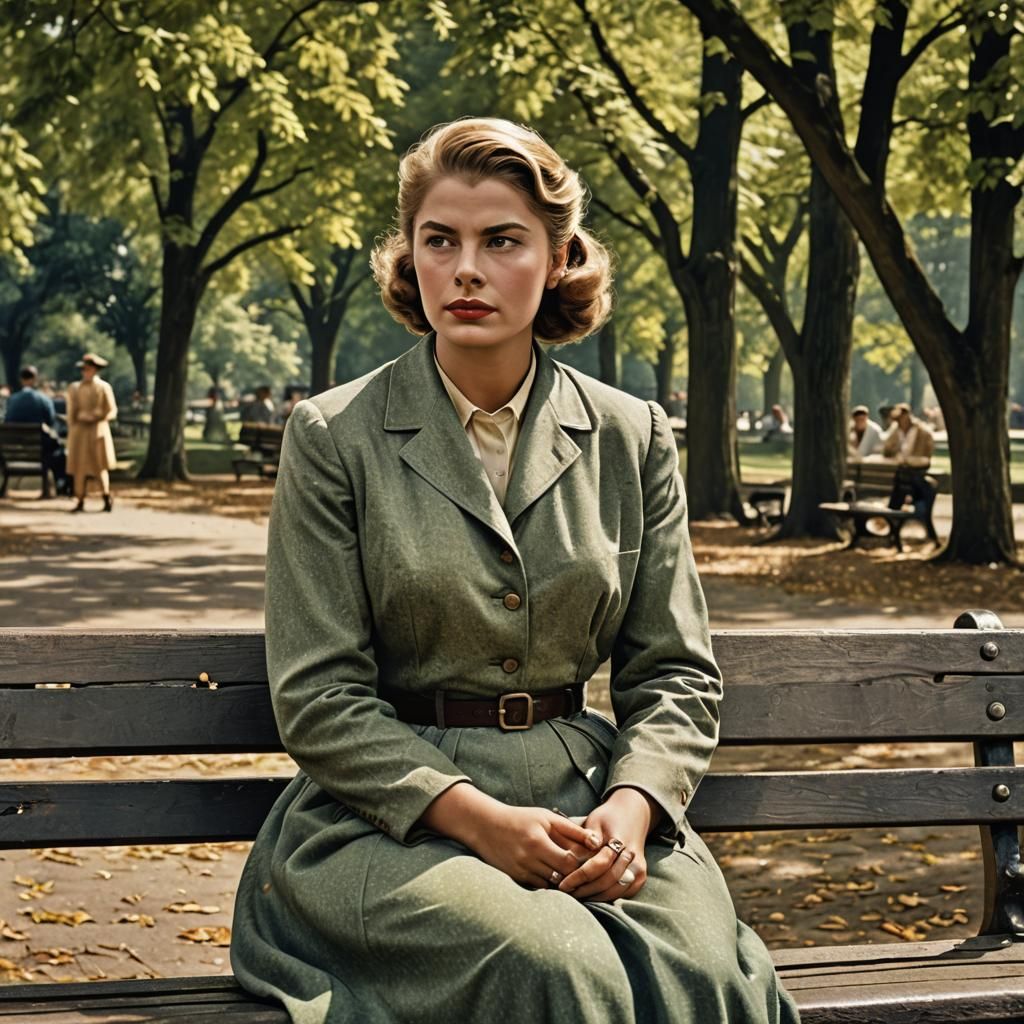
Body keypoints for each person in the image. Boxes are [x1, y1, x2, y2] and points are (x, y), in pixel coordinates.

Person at [230, 118, 798, 1024]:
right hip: (387, 822)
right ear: (409, 258)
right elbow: (319, 696)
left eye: (502, 240)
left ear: (560, 256)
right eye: (439, 239)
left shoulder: (631, 433)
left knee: (700, 969)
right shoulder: (335, 436)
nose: (466, 268)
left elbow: (676, 672)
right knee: (555, 963)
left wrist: (635, 807)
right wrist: (481, 820)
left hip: (589, 802)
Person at [4, 365, 69, 494]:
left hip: (14, 449)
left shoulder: (12, 400)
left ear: (21, 379)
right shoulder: (43, 399)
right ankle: (60, 486)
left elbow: (7, 420)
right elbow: (51, 421)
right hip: (40, 451)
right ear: (34, 379)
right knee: (61, 452)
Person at [66, 352, 117, 513]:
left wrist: (99, 416)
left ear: (95, 370)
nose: (86, 372)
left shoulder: (103, 387)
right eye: (84, 369)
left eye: (89, 369)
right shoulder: (75, 388)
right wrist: (77, 419)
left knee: (100, 465)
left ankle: (106, 496)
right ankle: (80, 498)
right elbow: (71, 412)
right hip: (81, 431)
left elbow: (112, 410)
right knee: (79, 467)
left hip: (97, 431)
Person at [882, 402, 937, 538]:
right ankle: (893, 522)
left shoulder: (922, 432)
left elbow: (927, 457)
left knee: (906, 487)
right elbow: (886, 450)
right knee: (902, 485)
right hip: (903, 474)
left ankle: (893, 522)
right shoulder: (896, 431)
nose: (900, 422)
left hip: (916, 473)